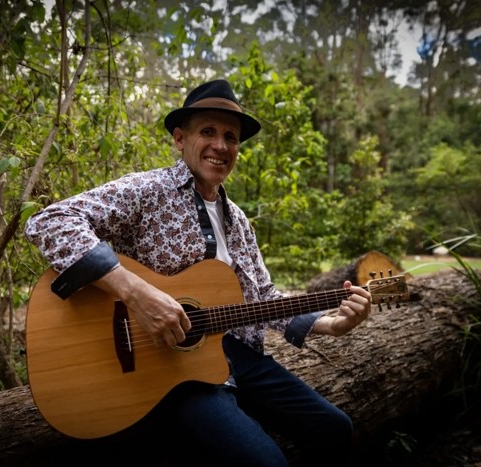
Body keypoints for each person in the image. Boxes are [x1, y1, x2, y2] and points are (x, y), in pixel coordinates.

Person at [24, 79, 371, 466]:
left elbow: (263, 298)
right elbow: (50, 222)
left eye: (230, 137)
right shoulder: (147, 190)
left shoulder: (237, 220)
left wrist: (331, 324)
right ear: (180, 139)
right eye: (208, 131)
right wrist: (136, 293)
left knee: (335, 428)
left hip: (235, 354)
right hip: (167, 368)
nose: (220, 145)